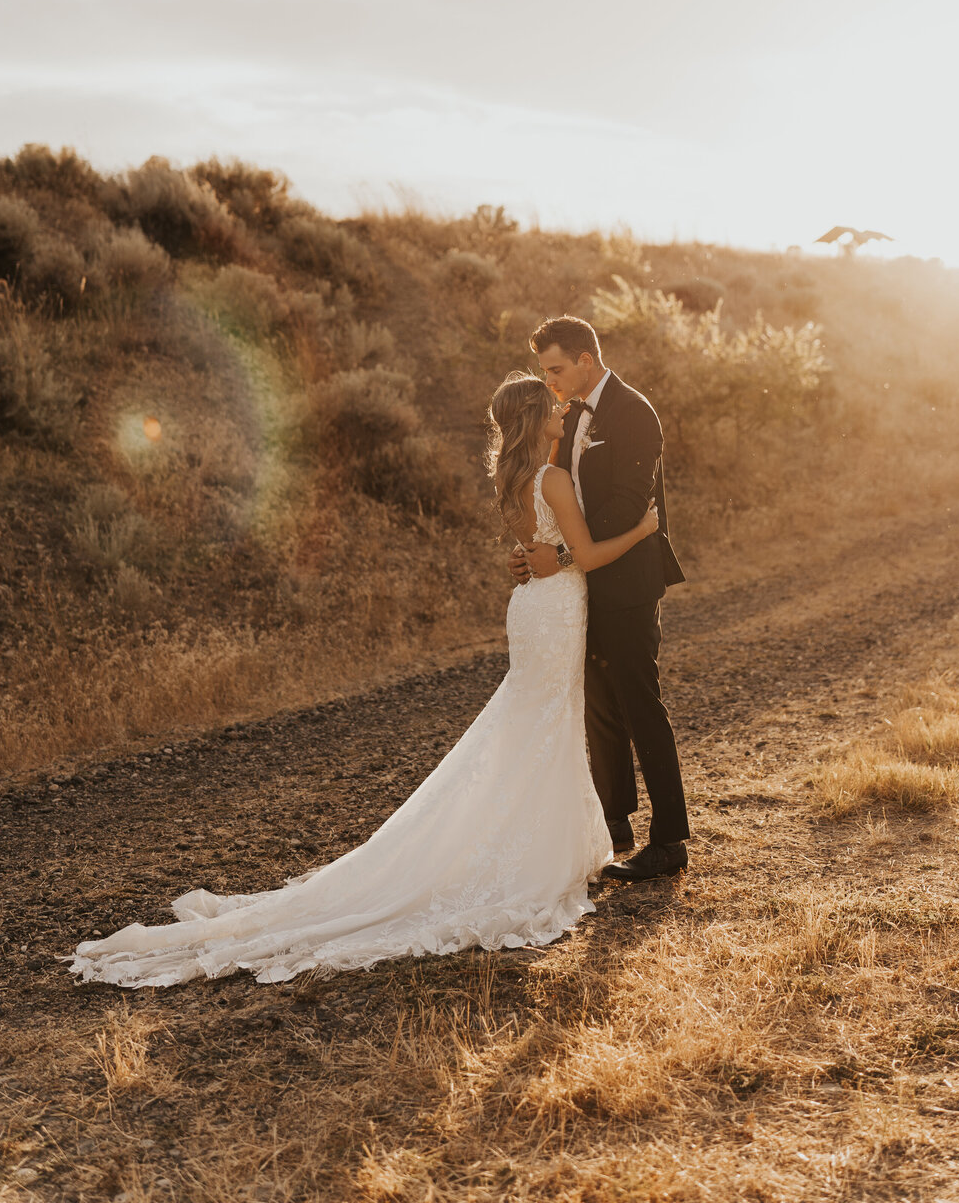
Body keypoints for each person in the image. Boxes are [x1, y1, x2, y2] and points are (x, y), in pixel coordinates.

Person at [67, 374, 658, 988]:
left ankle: (529, 841)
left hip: (532, 607)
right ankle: (533, 855)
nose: (563, 412)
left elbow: (537, 547)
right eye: (553, 407)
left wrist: (545, 557)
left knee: (533, 723)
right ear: (537, 418)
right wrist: (641, 532)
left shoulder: (512, 480)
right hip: (555, 606)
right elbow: (583, 556)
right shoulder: (553, 478)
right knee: (545, 722)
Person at [513, 315, 690, 881]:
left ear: (586, 359)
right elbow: (553, 496)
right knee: (599, 709)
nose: (553, 382)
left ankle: (670, 841)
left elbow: (629, 503)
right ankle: (613, 825)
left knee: (639, 705)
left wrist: (565, 554)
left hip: (629, 582)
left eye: (558, 369)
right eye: (546, 372)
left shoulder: (634, 413)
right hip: (580, 586)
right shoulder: (563, 418)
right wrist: (536, 551)